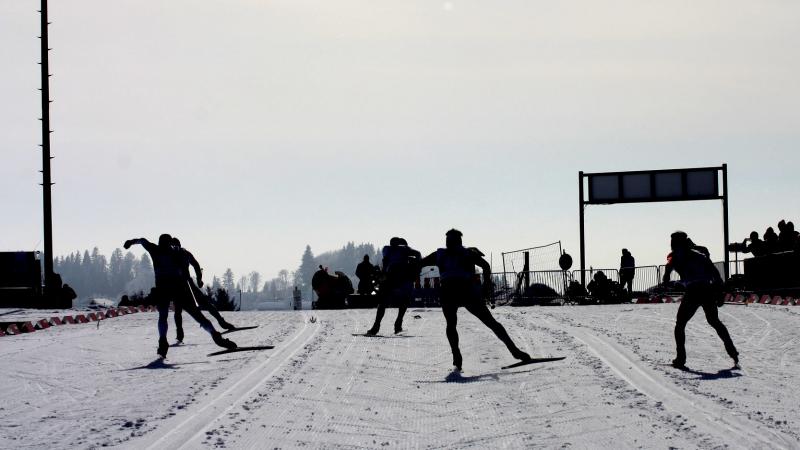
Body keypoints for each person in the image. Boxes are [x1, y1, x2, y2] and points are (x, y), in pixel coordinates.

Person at [419, 229, 530, 370]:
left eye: (449, 240)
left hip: (450, 292)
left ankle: (456, 355)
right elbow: (486, 266)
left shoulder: (441, 254)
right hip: (466, 292)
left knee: (452, 324)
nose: (448, 242)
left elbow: (420, 264)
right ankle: (515, 351)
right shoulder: (468, 253)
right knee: (490, 323)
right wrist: (486, 286)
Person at [124, 234, 236, 358]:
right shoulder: (178, 252)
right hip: (180, 288)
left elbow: (142, 240)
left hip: (163, 288)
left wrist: (131, 242)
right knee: (198, 316)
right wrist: (196, 278)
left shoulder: (155, 249)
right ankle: (215, 335)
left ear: (160, 242)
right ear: (170, 243)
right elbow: (193, 265)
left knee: (163, 316)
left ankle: (162, 341)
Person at [662, 231, 738, 369]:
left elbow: (666, 277)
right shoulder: (699, 255)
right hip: (706, 290)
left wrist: (671, 283)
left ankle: (680, 358)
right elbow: (715, 274)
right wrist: (719, 292)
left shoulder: (674, 258)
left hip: (693, 291)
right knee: (714, 321)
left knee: (680, 324)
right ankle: (732, 351)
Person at [171, 237, 235, 343]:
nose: (175, 248)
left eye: (176, 246)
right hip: (178, 287)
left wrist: (199, 279)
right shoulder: (176, 254)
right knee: (178, 310)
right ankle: (179, 334)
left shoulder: (183, 253)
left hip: (187, 284)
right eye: (174, 247)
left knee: (205, 304)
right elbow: (195, 265)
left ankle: (222, 322)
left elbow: (196, 265)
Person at [366, 237, 421, 335]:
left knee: (383, 303)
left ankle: (376, 326)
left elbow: (386, 261)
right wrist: (416, 266)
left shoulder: (386, 249)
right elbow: (418, 254)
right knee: (404, 301)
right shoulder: (404, 249)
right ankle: (398, 325)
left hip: (390, 276)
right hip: (401, 277)